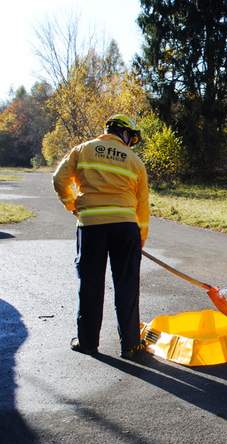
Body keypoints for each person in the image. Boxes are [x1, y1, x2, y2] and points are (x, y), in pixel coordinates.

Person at [53, 114, 149, 359]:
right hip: (125, 228)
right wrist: (141, 237)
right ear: (124, 133)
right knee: (127, 285)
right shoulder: (134, 160)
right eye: (131, 137)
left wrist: (72, 204)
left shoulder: (83, 150)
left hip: (91, 227)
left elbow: (59, 179)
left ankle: (87, 343)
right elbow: (143, 205)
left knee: (90, 284)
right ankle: (130, 346)